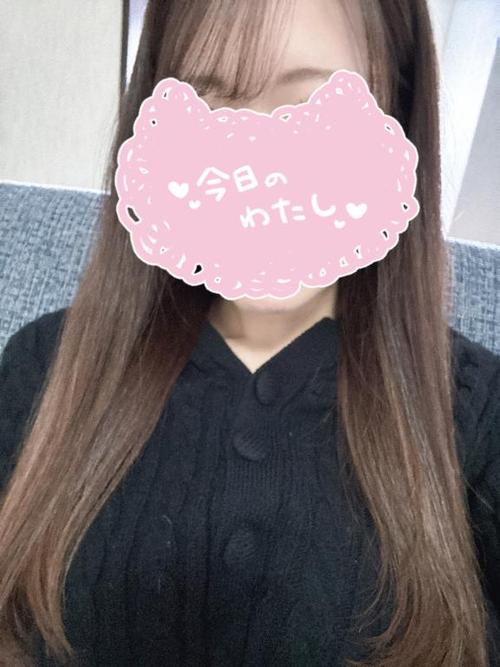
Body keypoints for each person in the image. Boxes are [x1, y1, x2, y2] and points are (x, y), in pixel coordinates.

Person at [0, 1, 499, 665]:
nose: (255, 165)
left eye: (310, 103)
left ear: (398, 117)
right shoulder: (44, 367)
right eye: (211, 102)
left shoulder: (476, 414)